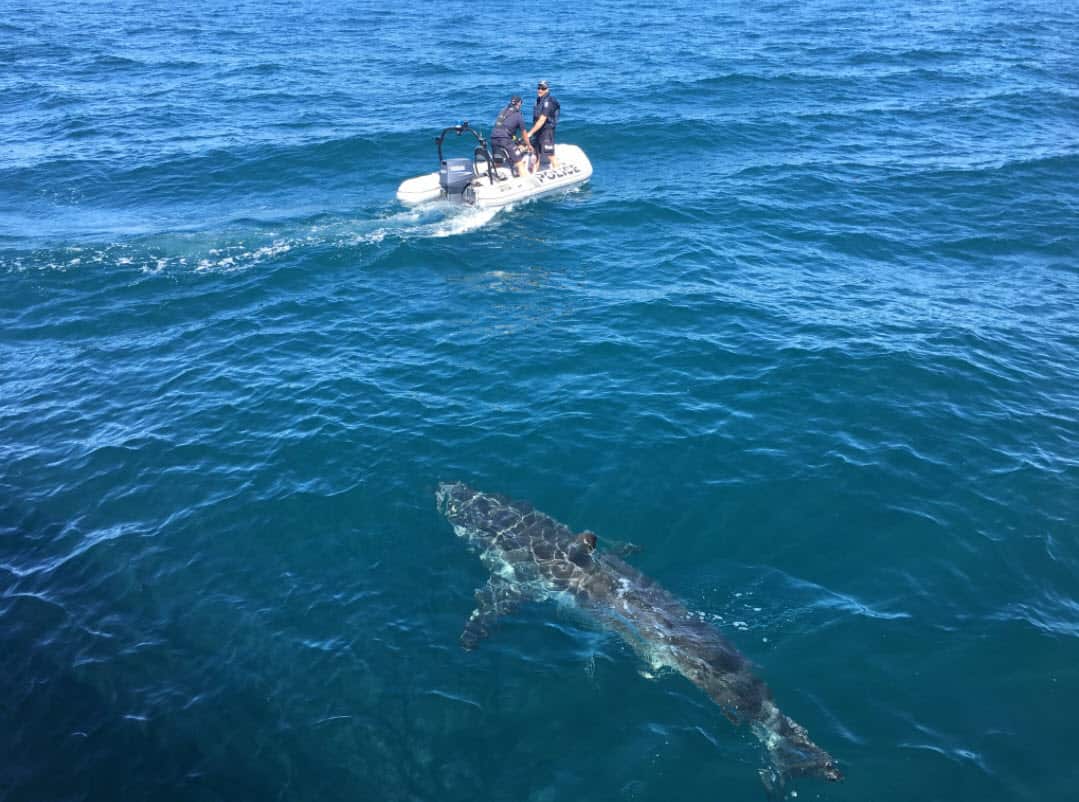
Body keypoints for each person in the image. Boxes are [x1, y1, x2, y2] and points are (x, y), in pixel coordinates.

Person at [489, 95, 531, 177]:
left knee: (498, 161)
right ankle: (524, 181)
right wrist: (529, 146)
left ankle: (490, 173)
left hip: (493, 138)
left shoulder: (503, 111)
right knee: (520, 162)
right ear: (519, 103)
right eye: (521, 103)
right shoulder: (518, 115)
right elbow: (524, 134)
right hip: (504, 139)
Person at [527, 80, 560, 170]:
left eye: (543, 88)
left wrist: (529, 133)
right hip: (538, 131)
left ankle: (557, 169)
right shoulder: (538, 100)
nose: (540, 90)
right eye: (539, 88)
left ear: (547, 89)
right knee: (536, 154)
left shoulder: (549, 101)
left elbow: (542, 120)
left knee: (550, 154)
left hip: (547, 131)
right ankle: (534, 174)